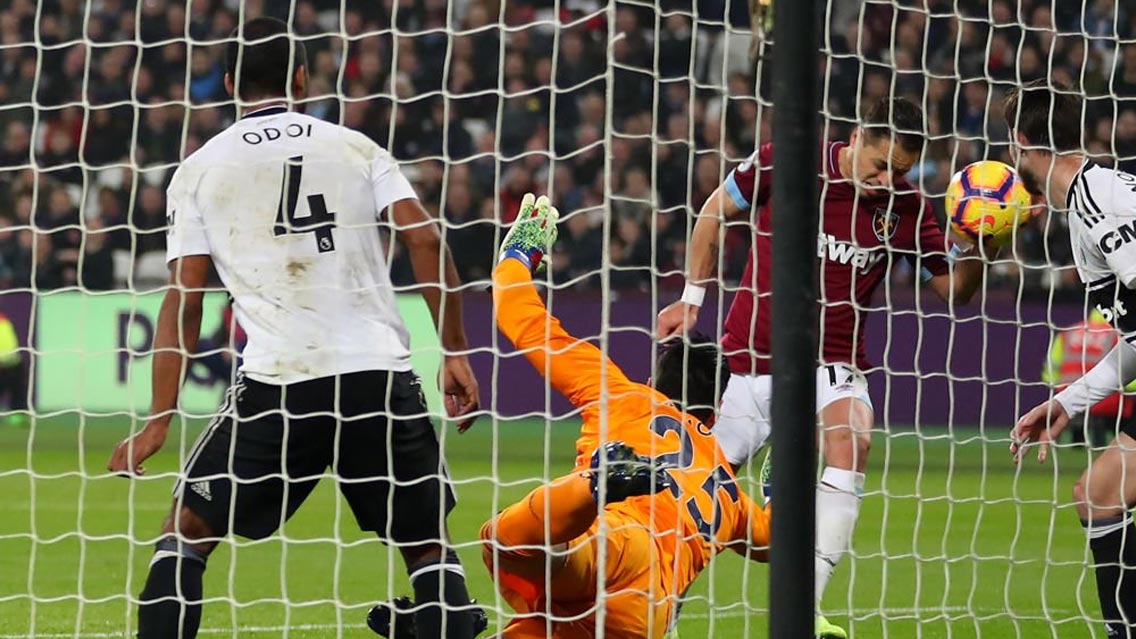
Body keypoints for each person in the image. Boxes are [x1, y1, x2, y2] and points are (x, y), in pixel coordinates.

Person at [106, 18, 482, 639]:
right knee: (426, 546)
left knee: (186, 533)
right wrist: (455, 353)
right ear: (304, 79)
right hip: (378, 378)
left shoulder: (198, 170)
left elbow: (186, 298)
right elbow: (425, 238)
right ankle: (446, 620)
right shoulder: (356, 147)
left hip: (282, 381)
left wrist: (158, 418)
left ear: (228, 83)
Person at [656, 97, 994, 638]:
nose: (886, 180)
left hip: (832, 363)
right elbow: (714, 209)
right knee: (693, 490)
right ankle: (660, 608)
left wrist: (981, 244)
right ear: (857, 137)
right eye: (880, 165)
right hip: (748, 360)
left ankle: (803, 612)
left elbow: (952, 290)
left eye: (900, 172)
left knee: (853, 441)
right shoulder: (786, 162)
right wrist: (692, 297)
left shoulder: (907, 207)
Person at [480, 194, 771, 639]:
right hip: (647, 609)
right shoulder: (726, 488)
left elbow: (526, 322)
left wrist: (518, 256)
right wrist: (777, 491)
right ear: (714, 413)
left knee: (503, 540)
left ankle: (591, 487)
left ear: (655, 382)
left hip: (612, 545)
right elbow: (773, 541)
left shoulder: (621, 395)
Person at [1008, 79, 1136, 638]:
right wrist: (1067, 401)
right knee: (1098, 492)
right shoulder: (1094, 194)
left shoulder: (1094, 198)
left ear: (1020, 142)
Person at [1042, 309, 1136, 449]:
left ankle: (1074, 442)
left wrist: (1059, 390)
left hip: (1069, 396)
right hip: (1109, 400)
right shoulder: (1119, 334)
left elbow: (1051, 368)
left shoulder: (1068, 333)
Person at [0, 312, 29, 427]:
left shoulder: (5, 321)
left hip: (11, 362)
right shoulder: (5, 321)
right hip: (12, 361)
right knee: (17, 389)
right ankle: (18, 416)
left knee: (17, 390)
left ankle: (18, 416)